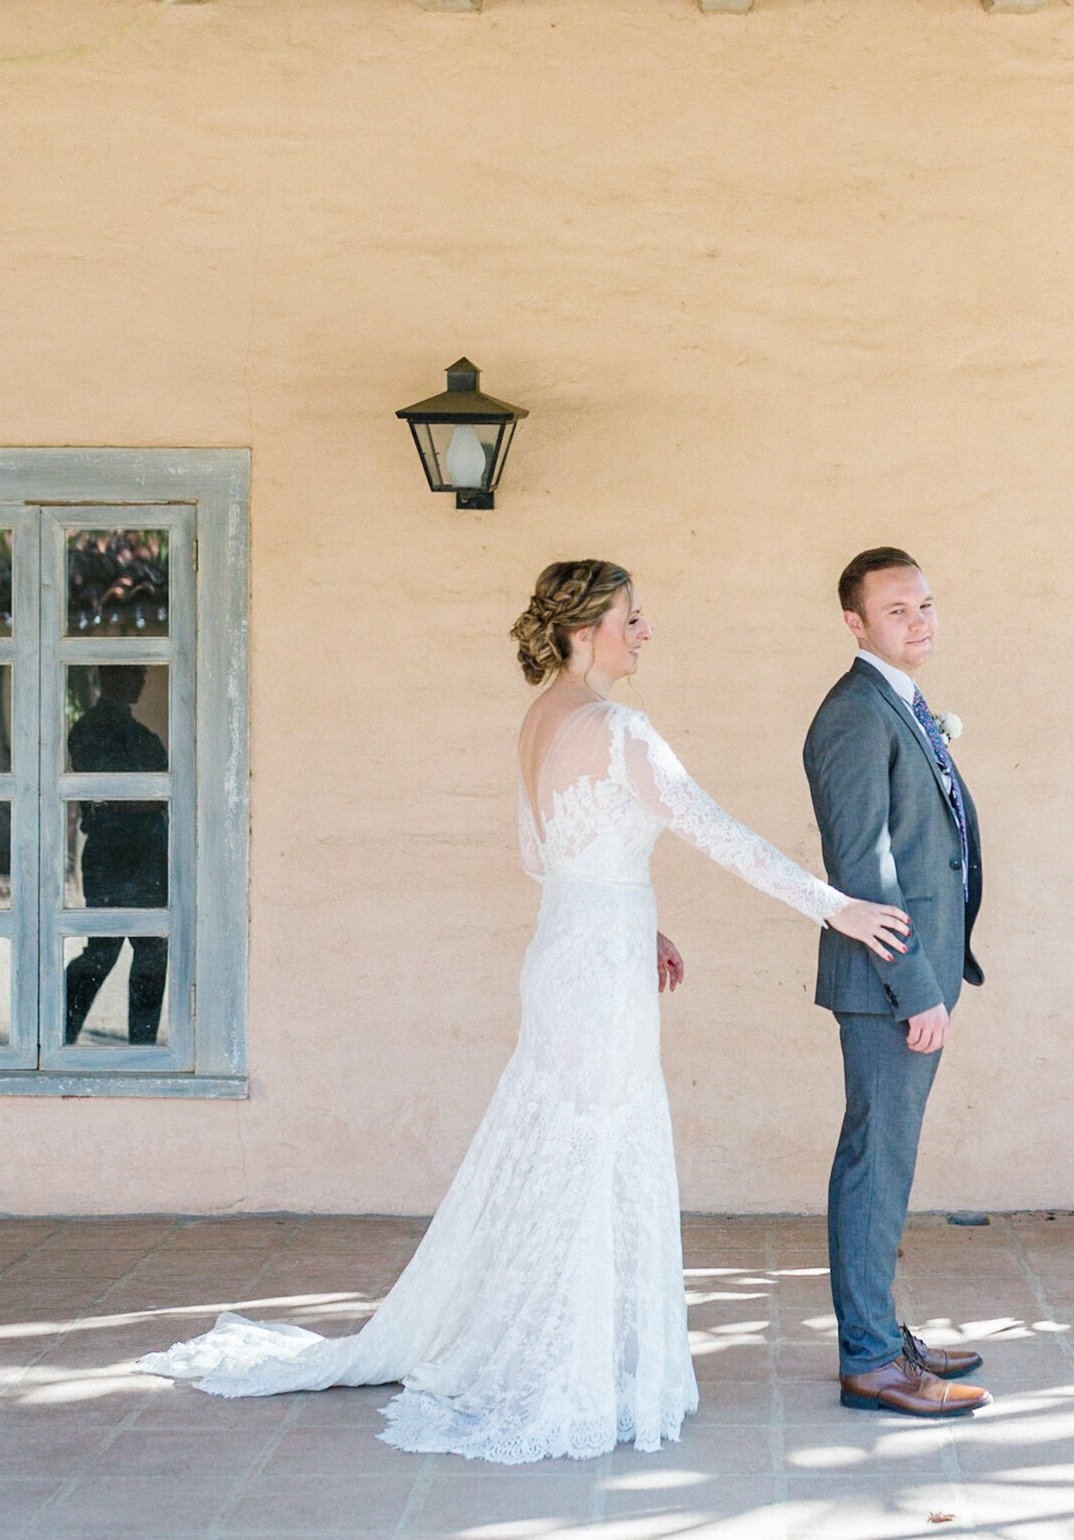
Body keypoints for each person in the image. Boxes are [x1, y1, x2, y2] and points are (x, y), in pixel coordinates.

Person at [139, 560, 911, 1463]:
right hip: (600, 969)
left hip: (563, 951)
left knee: (560, 1143)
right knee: (596, 1151)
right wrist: (838, 906)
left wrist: (639, 922)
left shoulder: (539, 716)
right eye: (633, 616)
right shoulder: (621, 728)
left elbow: (544, 857)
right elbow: (715, 831)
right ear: (588, 626)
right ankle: (574, 1373)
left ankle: (571, 1351)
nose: (645, 632)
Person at [803, 547, 991, 1417]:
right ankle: (871, 1360)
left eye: (926, 603)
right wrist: (916, 986)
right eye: (897, 611)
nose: (920, 621)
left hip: (913, 974)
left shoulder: (900, 702)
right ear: (855, 623)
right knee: (874, 1165)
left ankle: (880, 1331)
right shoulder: (853, 714)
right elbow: (865, 871)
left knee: (888, 1160)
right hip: (887, 982)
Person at [62, 665, 170, 1045]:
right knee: (103, 952)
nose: (141, 682)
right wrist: (144, 803)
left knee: (150, 953)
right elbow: (108, 796)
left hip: (145, 856)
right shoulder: (93, 730)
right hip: (115, 855)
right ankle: (60, 1031)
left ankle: (140, 1044)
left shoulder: (132, 733)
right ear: (114, 679)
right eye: (134, 675)